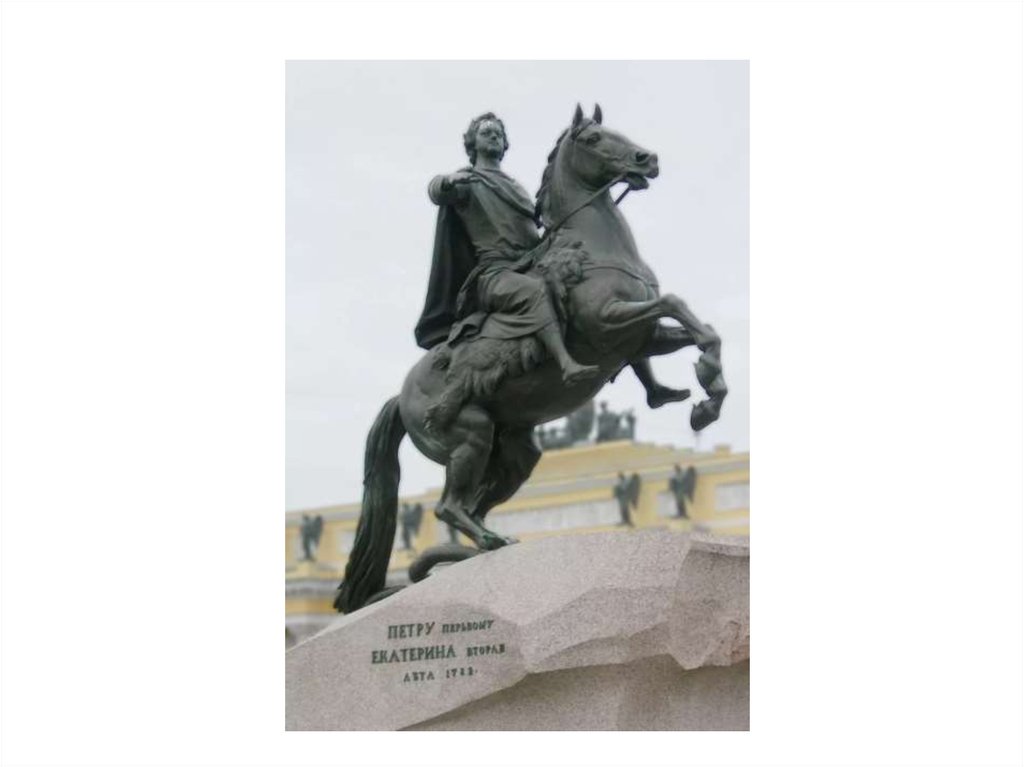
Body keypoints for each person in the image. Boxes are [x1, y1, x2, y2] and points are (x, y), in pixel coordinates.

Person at [414, 113, 599, 385]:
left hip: (529, 264)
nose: (494, 136)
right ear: (473, 143)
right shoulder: (468, 181)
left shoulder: (517, 187)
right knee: (535, 291)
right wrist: (445, 182)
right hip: (494, 274)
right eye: (486, 132)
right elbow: (436, 191)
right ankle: (565, 363)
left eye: (498, 134)